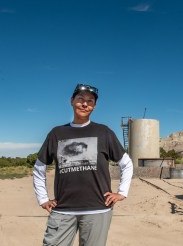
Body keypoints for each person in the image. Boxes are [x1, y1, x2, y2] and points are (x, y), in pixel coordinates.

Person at [33, 83, 134, 246]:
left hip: (98, 209)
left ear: (94, 106)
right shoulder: (56, 133)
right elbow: (39, 167)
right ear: (71, 101)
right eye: (80, 99)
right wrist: (43, 198)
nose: (85, 104)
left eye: (90, 101)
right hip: (63, 209)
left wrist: (122, 192)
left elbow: (126, 164)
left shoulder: (104, 132)